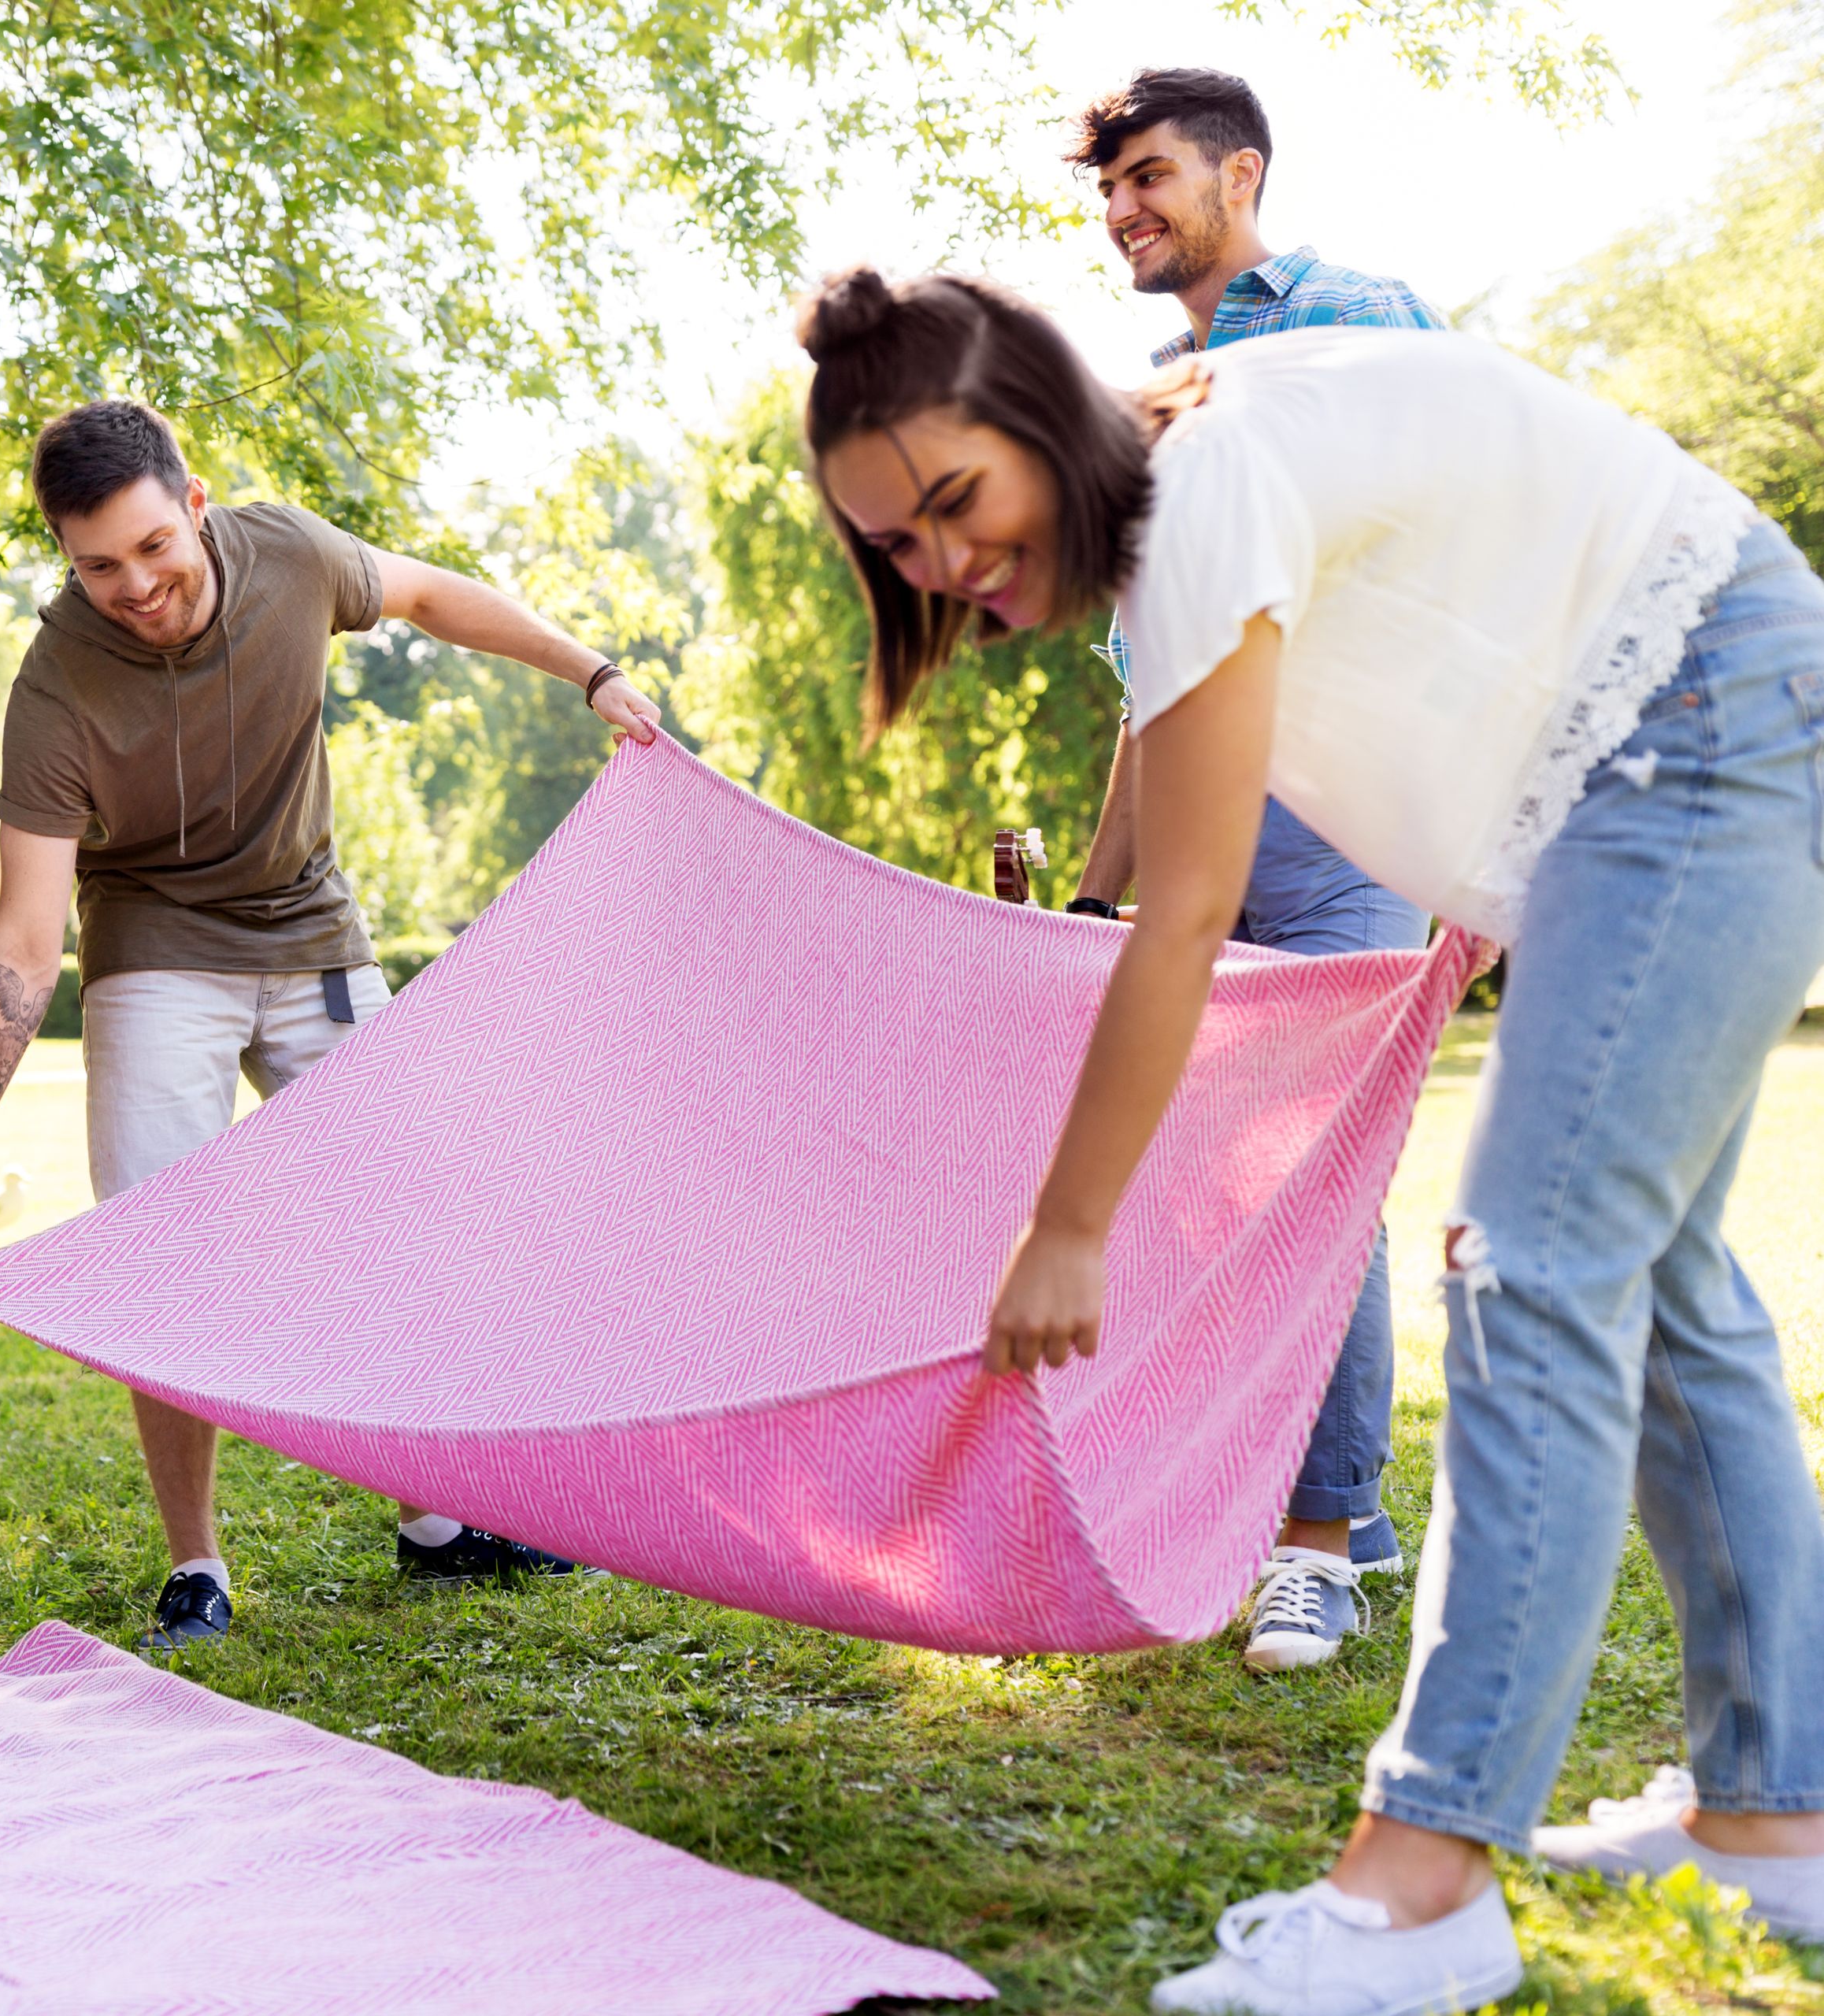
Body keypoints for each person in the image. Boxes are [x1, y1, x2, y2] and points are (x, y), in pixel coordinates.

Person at [798, 265, 1824, 2013]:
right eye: (897, 547)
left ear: (1038, 412)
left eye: (958, 500)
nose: (946, 566)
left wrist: (1071, 1223)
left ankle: (1423, 1883)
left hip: (1701, 726)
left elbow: (1189, 911)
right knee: (1663, 1288)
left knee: (1540, 1274)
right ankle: (1778, 1815)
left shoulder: (1203, 484)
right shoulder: (1201, 465)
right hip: (1692, 725)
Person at [0, 400, 659, 1652]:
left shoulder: (291, 557)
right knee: (159, 1260)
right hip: (158, 955)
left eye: (155, 546)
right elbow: (27, 939)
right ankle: (196, 1564)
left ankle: (437, 1521)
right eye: (99, 565)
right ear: (66, 557)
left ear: (195, 502)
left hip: (313, 933)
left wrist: (593, 673)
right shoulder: (56, 691)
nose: (136, 584)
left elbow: (429, 596)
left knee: (412, 1219)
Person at [1062, 66, 1451, 1675]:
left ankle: (1315, 1545)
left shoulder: (1355, 311)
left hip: (1354, 823)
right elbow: (1158, 682)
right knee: (1217, 1182)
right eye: (1108, 192)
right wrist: (1097, 898)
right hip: (1213, 849)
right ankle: (1312, 1506)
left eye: (1150, 175)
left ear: (1243, 174)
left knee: (1314, 1183)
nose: (1125, 210)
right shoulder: (1151, 394)